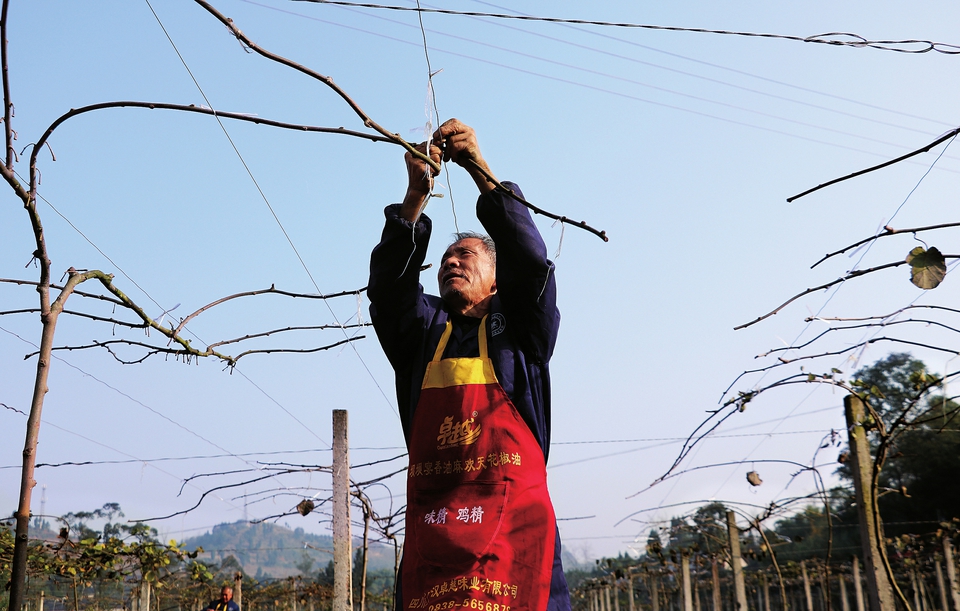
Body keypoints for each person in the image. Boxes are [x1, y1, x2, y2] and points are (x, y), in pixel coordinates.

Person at [368, 118, 570, 611]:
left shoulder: (522, 326)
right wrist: (415, 196)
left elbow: (529, 259)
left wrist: (479, 166)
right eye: (444, 259)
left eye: (465, 255)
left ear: (498, 282)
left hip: (515, 541)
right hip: (435, 543)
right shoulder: (421, 332)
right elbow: (389, 291)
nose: (451, 262)